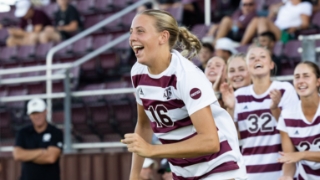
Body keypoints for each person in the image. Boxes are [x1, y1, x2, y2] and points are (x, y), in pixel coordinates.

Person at [122, 9, 247, 179]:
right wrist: (134, 175)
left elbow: (210, 141)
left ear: (163, 37)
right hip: (183, 171)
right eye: (131, 32)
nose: (132, 38)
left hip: (219, 167)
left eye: (140, 31)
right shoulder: (137, 72)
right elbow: (144, 125)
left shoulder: (185, 75)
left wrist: (152, 150)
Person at [224, 46, 299, 180]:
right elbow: (234, 137)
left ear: (271, 65)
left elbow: (294, 132)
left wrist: (275, 108)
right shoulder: (238, 96)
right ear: (248, 67)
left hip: (279, 172)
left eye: (262, 56)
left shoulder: (285, 89)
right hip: (248, 173)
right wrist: (230, 109)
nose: (257, 59)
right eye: (252, 57)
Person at [277, 61, 320, 180]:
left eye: (306, 76)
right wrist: (286, 176)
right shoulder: (286, 116)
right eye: (297, 77)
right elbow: (289, 159)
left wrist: (302, 154)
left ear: (318, 81)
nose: (301, 81)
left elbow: (296, 156)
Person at [13, 98, 63, 180]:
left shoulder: (55, 132)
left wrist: (27, 156)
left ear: (46, 111)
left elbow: (51, 158)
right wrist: (42, 151)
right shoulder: (23, 132)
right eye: (34, 113)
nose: (37, 116)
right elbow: (17, 155)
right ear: (29, 115)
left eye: (39, 112)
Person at [241, 0, 312, 45]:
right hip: (276, 30)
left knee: (262, 20)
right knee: (256, 20)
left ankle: (262, 44)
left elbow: (305, 24)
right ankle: (241, 46)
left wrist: (296, 27)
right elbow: (269, 16)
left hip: (287, 33)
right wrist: (273, 11)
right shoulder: (286, 4)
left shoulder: (304, 5)